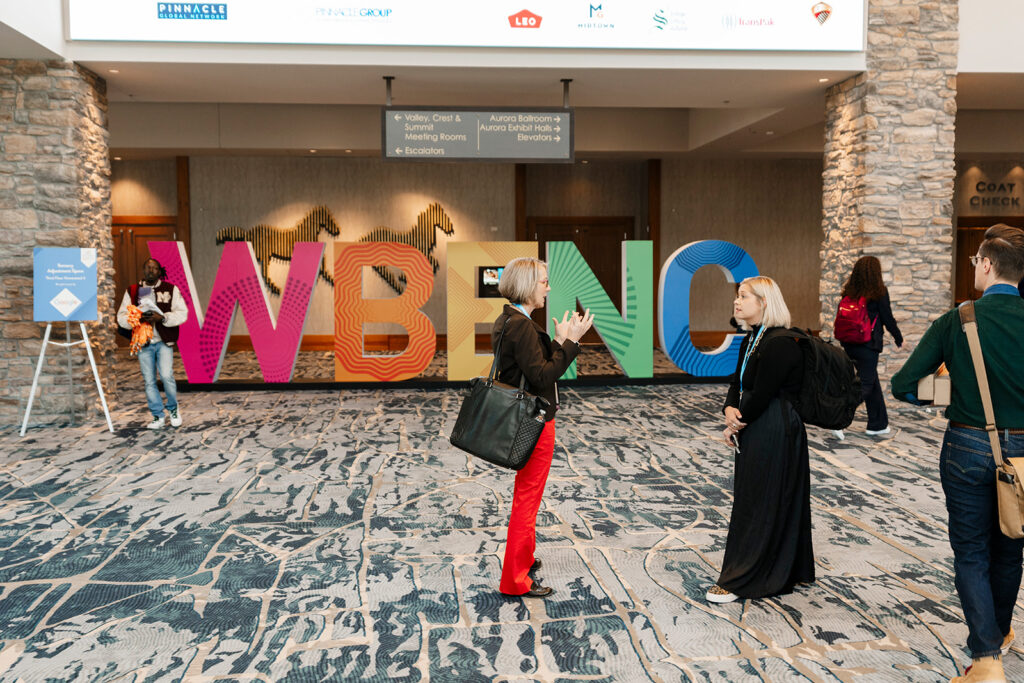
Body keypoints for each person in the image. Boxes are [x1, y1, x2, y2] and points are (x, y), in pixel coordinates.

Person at [891, 224, 1024, 683]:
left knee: (971, 552)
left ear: (987, 264)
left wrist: (946, 395)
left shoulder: (959, 319)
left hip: (968, 442)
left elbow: (903, 385)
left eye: (975, 263)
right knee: (1011, 548)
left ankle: (986, 659)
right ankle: (1001, 632)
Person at [708, 276, 814, 603]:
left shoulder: (780, 342)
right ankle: (781, 567)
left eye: (744, 297)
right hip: (758, 424)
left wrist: (736, 423)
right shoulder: (752, 338)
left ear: (764, 302)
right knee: (758, 497)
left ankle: (746, 578)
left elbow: (764, 393)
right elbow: (738, 382)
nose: (737, 302)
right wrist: (729, 408)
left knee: (762, 501)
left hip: (775, 427)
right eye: (737, 296)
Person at [493, 257, 593, 598]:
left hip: (527, 420)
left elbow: (535, 365)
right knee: (527, 499)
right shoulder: (521, 324)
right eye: (543, 282)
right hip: (534, 423)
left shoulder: (512, 319)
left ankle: (524, 558)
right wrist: (572, 344)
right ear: (526, 284)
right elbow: (543, 376)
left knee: (528, 496)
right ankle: (515, 579)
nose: (548, 288)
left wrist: (560, 341)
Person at [833, 255, 903, 439]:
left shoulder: (849, 291)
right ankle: (837, 418)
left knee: (871, 381)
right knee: (865, 383)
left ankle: (878, 424)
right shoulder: (879, 292)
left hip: (849, 343)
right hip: (867, 344)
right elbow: (888, 318)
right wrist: (899, 338)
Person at [116, 257, 189, 429]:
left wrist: (162, 318)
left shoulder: (170, 289)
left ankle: (173, 408)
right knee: (149, 381)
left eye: (154, 268)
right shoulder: (133, 291)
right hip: (144, 342)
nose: (151, 271)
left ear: (159, 271)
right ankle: (157, 415)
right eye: (148, 268)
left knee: (166, 376)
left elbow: (182, 313)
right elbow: (121, 317)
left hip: (164, 341)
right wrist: (137, 317)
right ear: (143, 270)